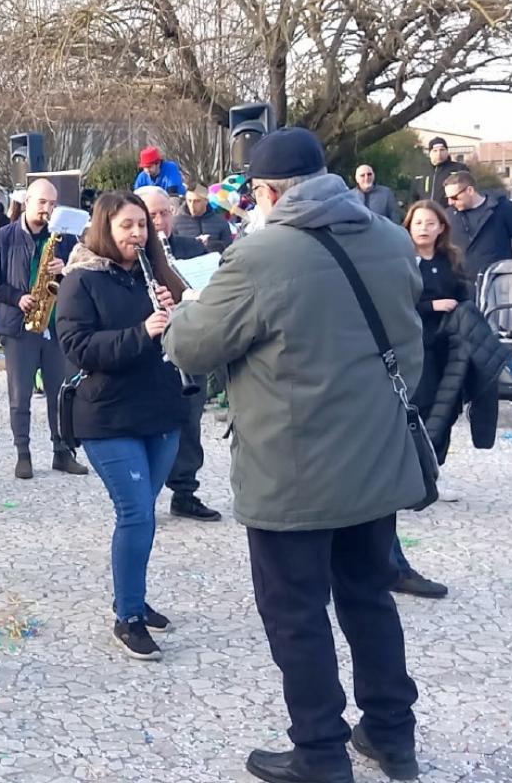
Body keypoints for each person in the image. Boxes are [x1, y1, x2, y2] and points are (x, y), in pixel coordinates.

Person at [164, 128, 424, 783]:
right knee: (369, 596)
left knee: (296, 613)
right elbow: (410, 345)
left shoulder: (262, 254)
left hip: (291, 468)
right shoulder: (392, 239)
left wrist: (189, 308)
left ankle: (320, 752)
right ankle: (392, 736)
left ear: (267, 192)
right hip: (375, 459)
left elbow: (192, 346)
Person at [56, 192, 189, 660]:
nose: (137, 233)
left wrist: (178, 315)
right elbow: (78, 347)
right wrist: (142, 331)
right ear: (105, 229)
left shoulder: (154, 274)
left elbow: (182, 337)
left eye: (142, 225)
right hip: (109, 416)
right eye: (127, 225)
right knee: (135, 513)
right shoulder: (81, 280)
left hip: (160, 410)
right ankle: (128, 617)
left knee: (144, 514)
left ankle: (131, 595)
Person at [384, 199, 473, 603]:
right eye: (417, 222)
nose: (423, 228)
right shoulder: (400, 259)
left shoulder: (449, 261)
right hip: (413, 344)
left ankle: (432, 469)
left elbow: (465, 296)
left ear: (441, 228)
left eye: (430, 222)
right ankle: (414, 474)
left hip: (446, 344)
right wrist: (431, 306)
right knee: (416, 408)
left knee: (445, 406)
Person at [0, 178, 90, 479]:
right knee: (20, 396)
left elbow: (83, 278)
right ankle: (23, 454)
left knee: (60, 394)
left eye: (52, 204)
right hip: (19, 327)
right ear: (26, 202)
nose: (47, 209)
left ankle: (62, 452)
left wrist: (65, 270)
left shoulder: (64, 239)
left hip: (56, 325)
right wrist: (17, 297)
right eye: (42, 203)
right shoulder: (3, 238)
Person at [136, 186, 222, 522]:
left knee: (190, 420)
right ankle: (143, 497)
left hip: (187, 345)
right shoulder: (131, 255)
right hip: (149, 348)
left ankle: (185, 491)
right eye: (152, 215)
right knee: (147, 421)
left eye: (164, 213)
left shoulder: (191, 249)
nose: (159, 221)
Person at [442, 171, 512, 279]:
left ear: (470, 190)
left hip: (498, 280)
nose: (450, 202)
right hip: (462, 283)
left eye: (454, 197)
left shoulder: (503, 208)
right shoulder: (448, 215)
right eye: (447, 198)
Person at [411, 137, 469, 205]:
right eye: (435, 151)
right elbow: (413, 197)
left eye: (442, 150)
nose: (439, 153)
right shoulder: (421, 172)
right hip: (427, 210)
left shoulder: (459, 169)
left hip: (450, 210)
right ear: (430, 153)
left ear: (447, 151)